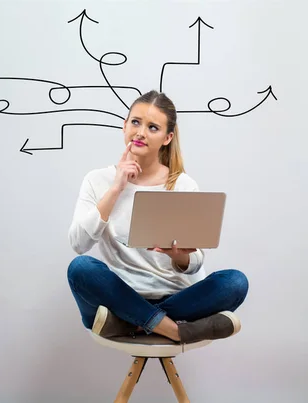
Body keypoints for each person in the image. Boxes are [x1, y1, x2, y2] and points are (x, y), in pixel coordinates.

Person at [66, 90, 249, 347]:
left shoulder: (182, 184)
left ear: (167, 137)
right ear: (124, 126)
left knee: (235, 282)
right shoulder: (98, 180)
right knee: (81, 268)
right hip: (120, 295)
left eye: (153, 127)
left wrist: (179, 256)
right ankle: (175, 331)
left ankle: (134, 323)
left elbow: (195, 263)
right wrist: (116, 188)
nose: (140, 132)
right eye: (135, 122)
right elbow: (78, 244)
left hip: (174, 297)